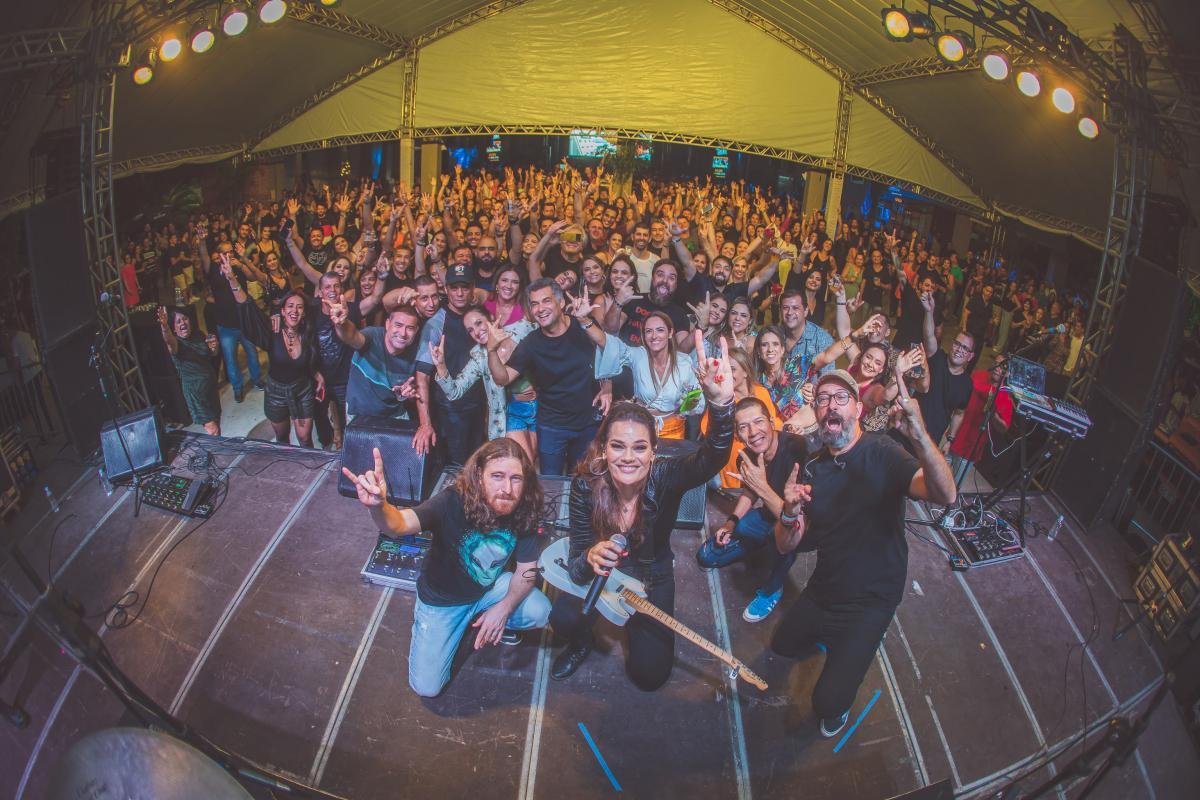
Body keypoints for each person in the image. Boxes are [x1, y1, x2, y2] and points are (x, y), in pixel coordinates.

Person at [771, 368, 956, 737]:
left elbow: (944, 494)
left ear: (857, 409)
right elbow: (784, 544)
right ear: (816, 412)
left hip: (872, 600)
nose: (831, 405)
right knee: (782, 645)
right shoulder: (813, 468)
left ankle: (864, 641)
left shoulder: (882, 451)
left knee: (827, 705)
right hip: (826, 588)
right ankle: (836, 641)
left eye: (841, 398)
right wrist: (788, 512)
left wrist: (920, 436)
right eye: (823, 399)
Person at [548, 332, 735, 688]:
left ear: (653, 451)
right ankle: (583, 641)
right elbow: (575, 567)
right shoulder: (585, 485)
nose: (628, 457)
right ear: (604, 449)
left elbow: (712, 458)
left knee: (650, 676)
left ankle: (636, 627)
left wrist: (722, 406)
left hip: (651, 574)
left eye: (639, 447)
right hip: (605, 572)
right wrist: (589, 556)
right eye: (618, 446)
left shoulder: (666, 475)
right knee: (563, 617)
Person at [341, 438, 551, 697]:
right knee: (427, 688)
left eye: (516, 479)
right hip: (444, 602)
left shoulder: (525, 508)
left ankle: (485, 617)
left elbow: (527, 570)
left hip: (489, 588)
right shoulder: (452, 501)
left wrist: (503, 609)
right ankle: (441, 626)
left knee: (541, 611)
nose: (507, 488)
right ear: (479, 475)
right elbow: (398, 525)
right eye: (497, 476)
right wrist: (379, 507)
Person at [698, 396, 808, 622]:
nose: (753, 432)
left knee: (782, 541)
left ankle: (773, 589)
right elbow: (750, 492)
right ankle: (760, 543)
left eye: (758, 422)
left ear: (771, 422)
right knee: (707, 556)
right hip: (770, 515)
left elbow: (798, 521)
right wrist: (731, 523)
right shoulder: (746, 457)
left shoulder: (798, 449)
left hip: (799, 527)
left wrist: (762, 486)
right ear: (738, 434)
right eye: (743, 427)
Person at [487, 279, 608, 475]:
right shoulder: (531, 343)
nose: (540, 309)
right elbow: (503, 378)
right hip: (552, 426)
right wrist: (491, 351)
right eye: (534, 304)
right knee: (550, 482)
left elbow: (607, 349)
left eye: (546, 301)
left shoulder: (582, 325)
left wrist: (607, 386)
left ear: (561, 303)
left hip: (587, 423)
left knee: (584, 480)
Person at [569, 290, 704, 440]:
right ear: (644, 336)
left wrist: (686, 405)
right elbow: (606, 342)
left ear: (670, 333)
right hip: (642, 427)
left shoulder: (684, 362)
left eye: (660, 330)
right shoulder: (638, 355)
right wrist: (583, 320)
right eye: (648, 331)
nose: (654, 336)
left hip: (674, 430)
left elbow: (696, 399)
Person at [222, 256, 323, 446]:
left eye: (299, 307)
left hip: (302, 390)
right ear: (282, 311)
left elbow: (313, 358)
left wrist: (317, 374)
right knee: (282, 438)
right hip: (276, 392)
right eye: (290, 306)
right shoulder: (273, 330)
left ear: (304, 313)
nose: (294, 311)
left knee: (305, 438)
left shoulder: (308, 333)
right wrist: (232, 279)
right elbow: (248, 308)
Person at [946, 355, 1013, 487]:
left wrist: (993, 414)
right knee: (936, 476)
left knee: (953, 486)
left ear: (1008, 373)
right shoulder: (978, 375)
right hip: (952, 437)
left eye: (1002, 367)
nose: (997, 368)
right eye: (996, 363)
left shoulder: (1006, 397)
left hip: (970, 449)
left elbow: (1004, 428)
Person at [157, 306, 221, 436]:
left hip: (211, 390)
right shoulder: (176, 344)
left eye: (185, 319)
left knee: (217, 426)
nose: (183, 323)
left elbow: (212, 354)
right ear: (174, 328)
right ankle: (218, 449)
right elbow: (168, 340)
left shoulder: (199, 335)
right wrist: (164, 326)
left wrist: (214, 347)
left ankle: (218, 448)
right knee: (213, 430)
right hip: (195, 394)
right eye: (178, 321)